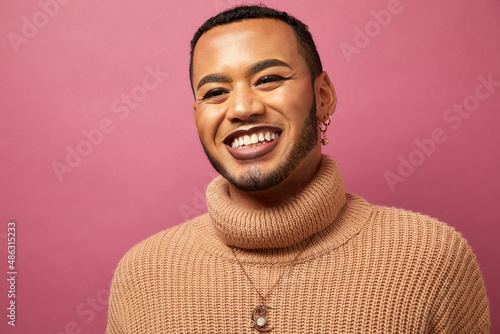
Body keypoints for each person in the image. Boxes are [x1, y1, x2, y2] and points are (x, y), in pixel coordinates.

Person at [106, 5, 490, 333]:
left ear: (322, 97)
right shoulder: (142, 274)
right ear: (197, 116)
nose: (241, 108)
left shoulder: (432, 258)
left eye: (269, 79)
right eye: (215, 92)